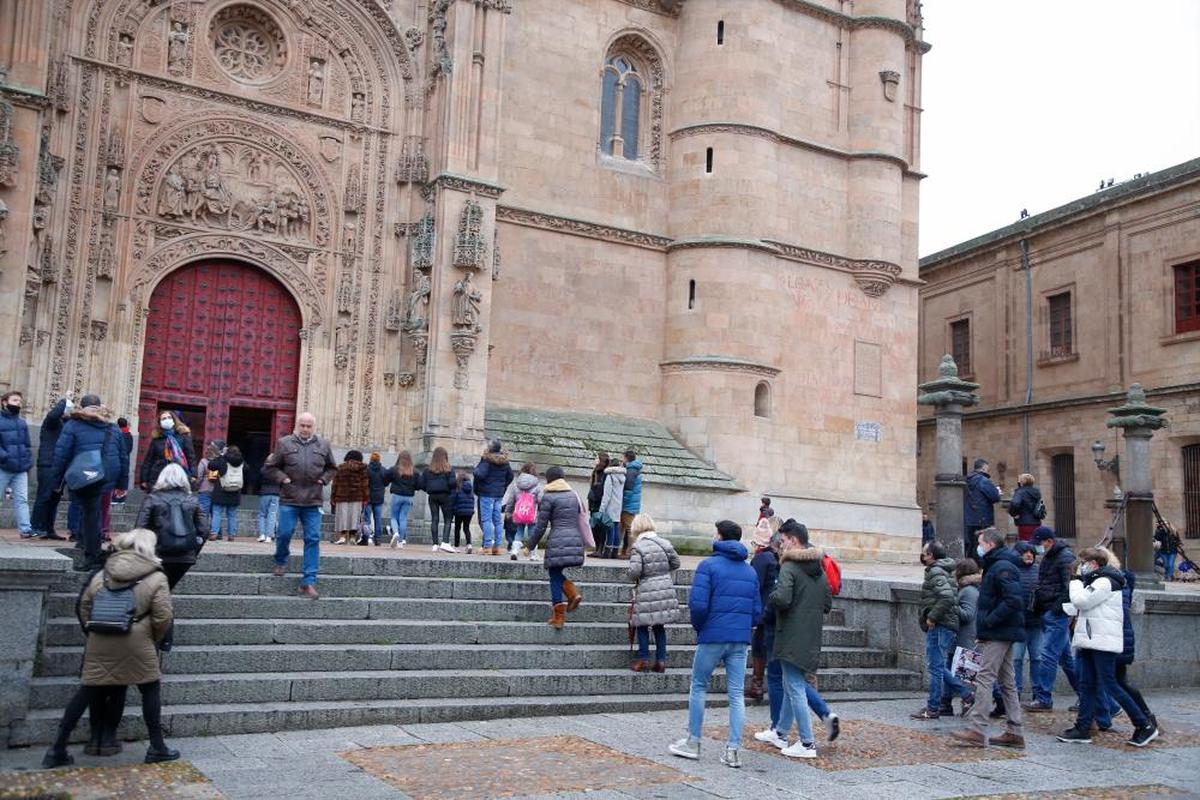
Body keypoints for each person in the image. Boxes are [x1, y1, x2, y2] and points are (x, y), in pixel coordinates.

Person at [40, 529, 176, 769]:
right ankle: (157, 746)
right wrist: (149, 636)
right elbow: (163, 616)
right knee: (150, 690)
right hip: (138, 639)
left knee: (87, 690)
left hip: (100, 637)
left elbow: (84, 605)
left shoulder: (103, 573)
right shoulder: (156, 577)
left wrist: (93, 631)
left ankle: (57, 748)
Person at [669, 520, 761, 769]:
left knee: (699, 686)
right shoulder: (750, 571)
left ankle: (693, 742)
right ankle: (732, 750)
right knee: (735, 694)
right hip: (739, 639)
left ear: (720, 537)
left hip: (712, 635)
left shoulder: (708, 566)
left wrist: (701, 628)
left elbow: (698, 605)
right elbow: (756, 611)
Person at [1056, 548, 1158, 747]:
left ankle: (1143, 725)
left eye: (1084, 562)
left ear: (1094, 563)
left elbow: (1081, 600)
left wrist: (1075, 580)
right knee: (1087, 684)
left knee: (1111, 684)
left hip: (1102, 640)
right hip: (1090, 639)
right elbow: (1083, 605)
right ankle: (1082, 728)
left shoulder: (1106, 581)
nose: (1081, 566)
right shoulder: (1097, 580)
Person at [759, 521, 832, 759]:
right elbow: (828, 604)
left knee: (795, 688)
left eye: (784, 540)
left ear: (794, 540)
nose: (781, 544)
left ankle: (807, 742)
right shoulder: (819, 568)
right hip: (810, 637)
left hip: (790, 636)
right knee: (794, 685)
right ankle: (780, 732)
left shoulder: (790, 566)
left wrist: (772, 596)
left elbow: (782, 598)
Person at [951, 528, 1026, 749]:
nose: (979, 547)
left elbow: (1013, 600)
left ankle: (977, 729)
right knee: (1007, 681)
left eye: (982, 543)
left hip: (1000, 631)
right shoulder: (998, 564)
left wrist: (990, 623)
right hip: (1002, 630)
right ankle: (1015, 730)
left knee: (985, 677)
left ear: (991, 545)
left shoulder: (1002, 566)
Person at [48, 394, 129, 572]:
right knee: (91, 509)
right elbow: (123, 457)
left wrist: (56, 480)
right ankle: (84, 541)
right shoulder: (112, 427)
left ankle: (93, 555)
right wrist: (122, 484)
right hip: (106, 474)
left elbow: (62, 454)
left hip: (83, 474)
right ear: (100, 406)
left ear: (81, 407)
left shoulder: (73, 425)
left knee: (90, 511)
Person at [264, 413, 337, 599]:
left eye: (309, 426)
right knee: (284, 533)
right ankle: (281, 559)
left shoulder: (324, 445)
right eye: (302, 425)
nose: (305, 429)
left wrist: (324, 479)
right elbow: (270, 467)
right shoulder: (284, 443)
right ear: (297, 425)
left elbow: (332, 468)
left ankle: (309, 581)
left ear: (314, 427)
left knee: (312, 538)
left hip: (313, 500)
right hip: (290, 498)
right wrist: (284, 479)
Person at [912, 540, 970, 720]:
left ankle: (934, 707)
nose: (922, 556)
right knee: (937, 666)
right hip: (945, 624)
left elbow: (946, 596)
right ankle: (966, 696)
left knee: (936, 668)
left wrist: (932, 617)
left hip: (940, 624)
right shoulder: (943, 569)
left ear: (931, 555)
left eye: (924, 553)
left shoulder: (936, 571)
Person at [1024, 525, 1078, 712]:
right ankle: (1088, 696)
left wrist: (1055, 609)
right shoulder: (1053, 556)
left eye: (1039, 543)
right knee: (1065, 659)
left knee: (1048, 655)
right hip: (1051, 611)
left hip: (1055, 612)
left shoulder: (1064, 557)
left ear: (1048, 542)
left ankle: (1043, 698)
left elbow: (1069, 587)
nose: (1037, 548)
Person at [524, 465, 586, 628]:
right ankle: (572, 594)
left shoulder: (549, 497)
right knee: (556, 574)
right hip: (575, 540)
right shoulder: (574, 495)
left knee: (554, 576)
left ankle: (559, 615)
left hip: (557, 541)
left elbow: (541, 526)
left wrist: (530, 545)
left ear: (549, 480)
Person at [1105, 547, 1156, 729]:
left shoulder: (1112, 582)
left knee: (1115, 683)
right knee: (1117, 682)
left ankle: (1144, 721)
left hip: (1113, 639)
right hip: (1118, 638)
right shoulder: (1122, 581)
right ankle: (1145, 717)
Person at [136, 462, 209, 589]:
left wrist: (145, 552)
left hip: (157, 553)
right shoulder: (193, 500)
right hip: (184, 556)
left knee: (155, 590)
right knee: (165, 588)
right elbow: (204, 530)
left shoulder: (152, 498)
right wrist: (193, 550)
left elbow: (139, 528)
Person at [992, 541, 1042, 717]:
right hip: (1019, 623)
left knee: (1037, 658)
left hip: (1036, 623)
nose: (1029, 555)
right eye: (1025, 552)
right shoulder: (1013, 570)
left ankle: (1038, 694)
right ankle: (1016, 694)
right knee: (1017, 660)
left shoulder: (1038, 571)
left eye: (1031, 552)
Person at [627, 513, 680, 672]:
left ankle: (643, 659)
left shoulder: (638, 546)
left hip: (646, 588)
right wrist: (663, 573)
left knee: (642, 624)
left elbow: (634, 572)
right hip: (665, 587)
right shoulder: (665, 543)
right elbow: (676, 562)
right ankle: (661, 661)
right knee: (659, 626)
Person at [941, 559, 980, 717]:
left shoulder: (968, 591)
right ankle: (946, 702)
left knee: (960, 673)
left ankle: (966, 697)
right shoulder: (966, 589)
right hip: (959, 637)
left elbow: (968, 615)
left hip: (964, 638)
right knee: (951, 670)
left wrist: (951, 605)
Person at [31, 396, 71, 540]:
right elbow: (53, 414)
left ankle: (49, 529)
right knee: (44, 497)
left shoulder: (67, 425)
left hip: (60, 467)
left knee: (54, 499)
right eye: (67, 409)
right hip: (48, 464)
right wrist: (64, 400)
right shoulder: (51, 422)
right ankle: (36, 527)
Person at [747, 517, 777, 701]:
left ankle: (757, 684)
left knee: (760, 645)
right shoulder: (779, 558)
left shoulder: (762, 558)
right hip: (779, 610)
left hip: (765, 611)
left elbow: (754, 585)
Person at [0, 390, 34, 538]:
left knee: (22, 499)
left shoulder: (21, 422)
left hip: (21, 468)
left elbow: (27, 444)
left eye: (20, 402)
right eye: (14, 401)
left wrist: (28, 460)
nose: (18, 404)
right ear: (4, 402)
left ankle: (25, 529)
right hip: (3, 467)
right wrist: (4, 457)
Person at [473, 439, 514, 556]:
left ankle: (487, 546)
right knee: (497, 521)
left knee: (486, 520)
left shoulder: (486, 461)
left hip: (486, 494)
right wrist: (502, 486)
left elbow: (480, 474)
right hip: (498, 494)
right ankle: (497, 547)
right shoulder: (505, 461)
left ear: (490, 449)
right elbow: (510, 476)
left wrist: (475, 469)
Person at [138, 411, 195, 492]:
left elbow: (191, 457)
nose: (167, 420)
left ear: (174, 420)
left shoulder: (184, 437)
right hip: (158, 476)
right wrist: (144, 479)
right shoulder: (156, 440)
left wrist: (193, 475)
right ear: (160, 423)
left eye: (169, 417)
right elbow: (148, 461)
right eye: (164, 418)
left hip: (179, 475)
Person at [502, 462, 543, 560]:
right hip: (532, 514)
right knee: (532, 534)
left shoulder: (517, 484)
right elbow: (541, 499)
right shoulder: (537, 484)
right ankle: (533, 554)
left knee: (518, 532)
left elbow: (511, 500)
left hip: (519, 513)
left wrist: (508, 512)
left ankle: (515, 551)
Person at [964, 458, 1000, 561]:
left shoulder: (967, 480)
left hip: (969, 518)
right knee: (983, 544)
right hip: (983, 517)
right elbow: (995, 497)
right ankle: (981, 566)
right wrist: (997, 492)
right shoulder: (983, 481)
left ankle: (971, 566)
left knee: (972, 545)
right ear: (984, 467)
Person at [331, 450, 370, 545]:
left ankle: (343, 537)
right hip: (357, 496)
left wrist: (333, 497)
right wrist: (366, 498)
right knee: (354, 517)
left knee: (342, 516)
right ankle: (352, 537)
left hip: (341, 496)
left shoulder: (340, 468)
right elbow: (365, 485)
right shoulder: (363, 469)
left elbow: (335, 484)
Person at [421, 446, 455, 552]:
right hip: (445, 495)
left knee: (434, 519)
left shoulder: (428, 470)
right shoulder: (449, 469)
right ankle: (445, 542)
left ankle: (435, 544)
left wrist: (428, 489)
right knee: (448, 519)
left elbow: (421, 483)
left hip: (432, 496)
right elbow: (452, 483)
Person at [207, 445, 244, 542]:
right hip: (235, 490)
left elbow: (211, 465)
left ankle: (214, 533)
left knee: (217, 512)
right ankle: (231, 535)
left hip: (221, 490)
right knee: (232, 514)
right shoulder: (241, 461)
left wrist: (221, 456)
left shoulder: (223, 460)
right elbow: (247, 470)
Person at [384, 450, 418, 548]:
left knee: (394, 517)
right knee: (403, 518)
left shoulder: (395, 469)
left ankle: (395, 533)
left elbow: (386, 476)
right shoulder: (414, 471)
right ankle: (401, 541)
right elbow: (419, 484)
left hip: (397, 495)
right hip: (408, 497)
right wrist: (413, 487)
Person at [599, 457, 626, 558]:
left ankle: (607, 551)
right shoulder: (622, 477)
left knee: (610, 529)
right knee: (616, 527)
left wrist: (602, 509)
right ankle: (615, 551)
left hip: (610, 505)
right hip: (618, 505)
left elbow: (607, 495)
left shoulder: (610, 477)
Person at [1007, 473, 1044, 542]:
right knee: (1035, 544)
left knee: (1025, 545)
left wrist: (1014, 514)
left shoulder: (1020, 492)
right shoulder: (1036, 492)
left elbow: (1015, 503)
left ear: (1021, 482)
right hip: (1036, 522)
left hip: (1024, 523)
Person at [620, 449, 644, 556]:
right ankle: (625, 550)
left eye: (623, 457)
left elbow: (628, 489)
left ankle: (630, 552)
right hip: (632, 504)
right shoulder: (633, 469)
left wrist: (622, 503)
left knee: (629, 529)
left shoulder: (631, 470)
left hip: (628, 505)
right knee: (627, 528)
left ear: (626, 458)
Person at [587, 452, 610, 556]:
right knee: (594, 526)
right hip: (593, 503)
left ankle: (600, 549)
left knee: (600, 527)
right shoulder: (596, 472)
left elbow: (600, 489)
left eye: (597, 459)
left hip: (599, 503)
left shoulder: (605, 474)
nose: (595, 461)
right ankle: (597, 548)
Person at [194, 441, 222, 521]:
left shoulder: (203, 461)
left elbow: (199, 476)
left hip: (205, 489)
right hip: (217, 490)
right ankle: (216, 532)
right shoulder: (221, 461)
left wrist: (196, 486)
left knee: (203, 513)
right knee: (216, 514)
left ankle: (203, 531)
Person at [365, 452, 387, 546]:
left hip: (369, 496)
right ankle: (377, 539)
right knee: (378, 518)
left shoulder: (367, 469)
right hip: (379, 496)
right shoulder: (383, 470)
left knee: (367, 518)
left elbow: (365, 482)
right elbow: (386, 482)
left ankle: (367, 537)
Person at [450, 470, 475, 552]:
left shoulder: (458, 488)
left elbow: (454, 500)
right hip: (469, 512)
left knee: (457, 528)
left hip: (459, 511)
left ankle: (456, 545)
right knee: (466, 528)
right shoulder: (470, 488)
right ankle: (469, 544)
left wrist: (453, 510)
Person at [257, 474, 280, 543]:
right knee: (272, 514)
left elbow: (258, 481)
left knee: (262, 515)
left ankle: (262, 535)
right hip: (276, 493)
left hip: (264, 492)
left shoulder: (264, 470)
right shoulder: (278, 470)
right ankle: (269, 536)